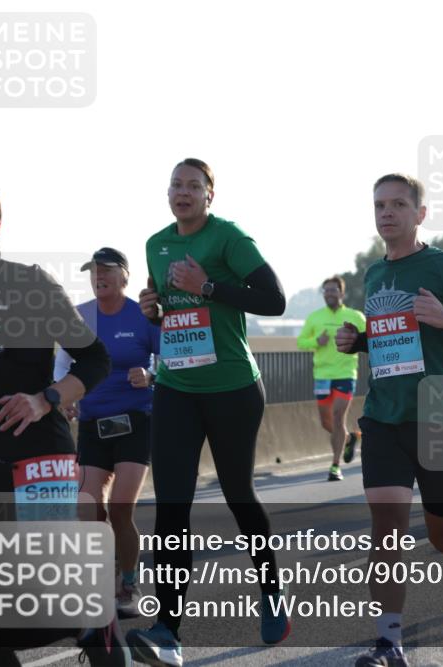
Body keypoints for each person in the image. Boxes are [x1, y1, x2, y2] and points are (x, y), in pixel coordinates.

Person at [0, 168, 117, 665]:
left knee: (56, 610)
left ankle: (96, 625)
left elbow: (95, 358)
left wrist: (46, 396)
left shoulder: (25, 282)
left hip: (36, 462)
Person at [336, 174, 443, 667]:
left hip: (441, 412)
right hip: (385, 416)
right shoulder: (374, 275)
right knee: (385, 529)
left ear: (420, 214)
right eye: (379, 205)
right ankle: (389, 643)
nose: (386, 213)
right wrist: (360, 340)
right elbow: (395, 339)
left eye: (398, 205)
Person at [128, 158, 290, 666]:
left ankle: (272, 593)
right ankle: (167, 631)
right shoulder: (156, 244)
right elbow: (169, 312)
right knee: (171, 508)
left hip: (232, 388)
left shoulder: (228, 238)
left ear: (209, 196)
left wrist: (209, 287)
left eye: (193, 186)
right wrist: (153, 307)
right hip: (176, 386)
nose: (183, 192)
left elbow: (275, 299)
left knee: (238, 493)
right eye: (176, 184)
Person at [55, 248, 159, 619]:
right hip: (93, 423)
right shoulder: (81, 316)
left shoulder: (142, 315)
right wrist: (64, 397)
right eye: (93, 271)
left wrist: (150, 376)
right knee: (87, 506)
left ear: (124, 277)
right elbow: (64, 363)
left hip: (135, 420)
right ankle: (107, 572)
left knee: (120, 508)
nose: (98, 276)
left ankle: (128, 582)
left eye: (106, 271)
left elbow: (168, 359)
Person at [296, 275, 366, 481]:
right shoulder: (315, 317)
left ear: (342, 293)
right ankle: (349, 438)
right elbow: (301, 342)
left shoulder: (355, 316)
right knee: (326, 422)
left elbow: (372, 339)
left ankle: (335, 466)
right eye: (326, 290)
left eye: (333, 290)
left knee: (337, 418)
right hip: (322, 376)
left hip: (345, 374)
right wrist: (317, 341)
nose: (329, 293)